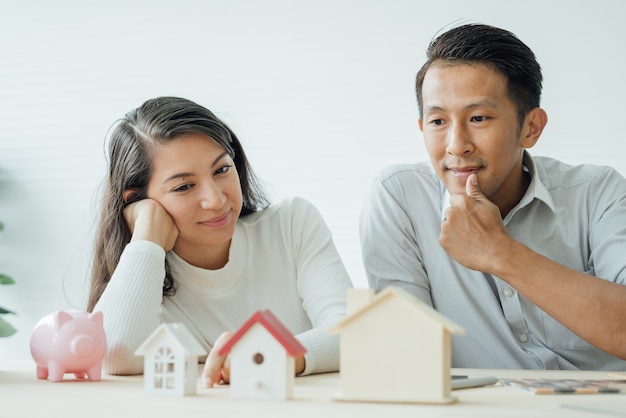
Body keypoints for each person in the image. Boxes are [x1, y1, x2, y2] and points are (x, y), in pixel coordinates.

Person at [360, 23, 626, 370]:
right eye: (438, 121)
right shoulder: (398, 197)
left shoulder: (597, 192)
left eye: (478, 117)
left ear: (531, 127)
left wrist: (501, 253)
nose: (456, 145)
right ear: (423, 127)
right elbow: (408, 359)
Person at [87, 96, 353, 385]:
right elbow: (112, 358)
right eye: (184, 186)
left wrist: (269, 354)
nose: (215, 200)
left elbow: (352, 330)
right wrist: (146, 239)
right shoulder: (144, 280)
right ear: (136, 199)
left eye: (222, 170)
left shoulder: (291, 224)